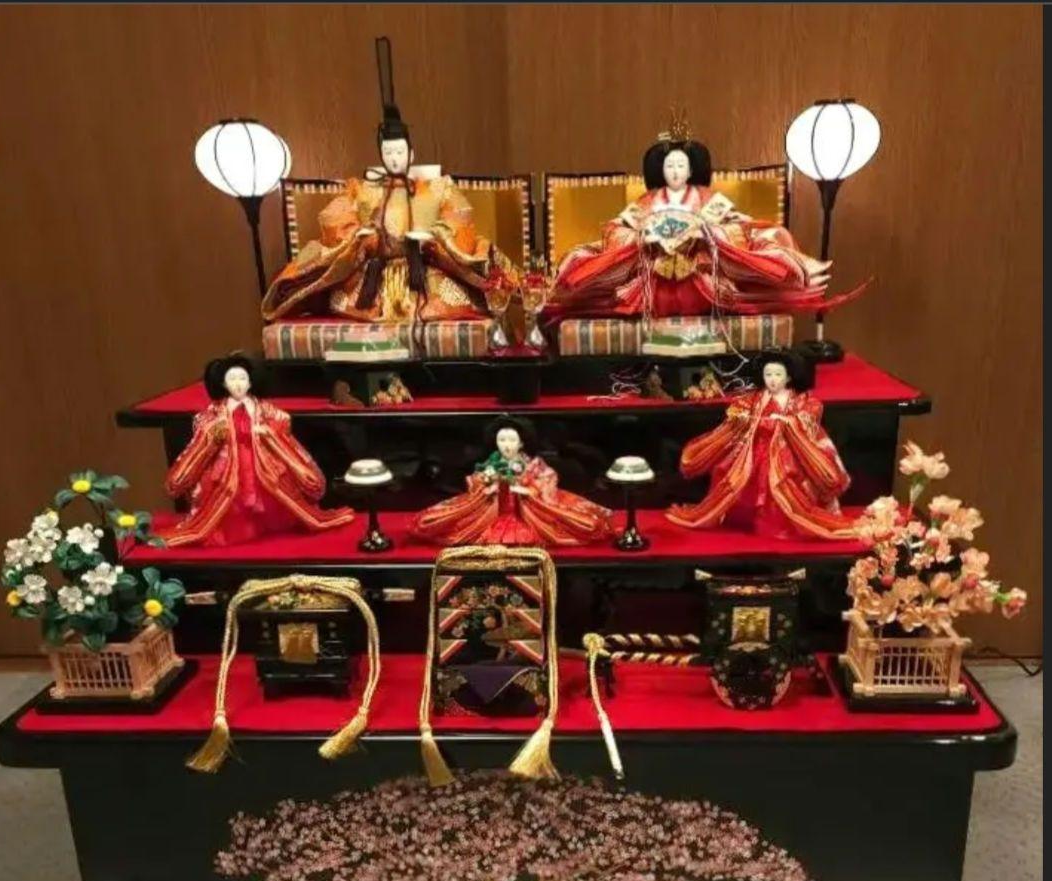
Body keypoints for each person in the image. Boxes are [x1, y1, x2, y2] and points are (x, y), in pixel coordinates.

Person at [261, 38, 512, 324]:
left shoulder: (437, 187)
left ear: (411, 153)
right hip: (373, 278)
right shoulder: (363, 189)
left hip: (426, 275)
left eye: (400, 152)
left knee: (452, 298)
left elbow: (460, 215)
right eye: (388, 153)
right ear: (380, 155)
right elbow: (334, 218)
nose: (394, 158)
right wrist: (360, 236)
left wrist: (435, 236)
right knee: (343, 299)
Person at [544, 117, 864, 326]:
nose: (675, 172)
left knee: (759, 247)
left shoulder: (709, 199)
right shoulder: (647, 202)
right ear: (660, 170)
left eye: (681, 166)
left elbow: (737, 226)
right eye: (669, 166)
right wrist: (643, 239)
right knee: (591, 264)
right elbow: (618, 228)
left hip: (701, 276)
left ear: (692, 169)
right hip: (653, 277)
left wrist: (707, 235)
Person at [163, 355, 353, 546]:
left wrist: (268, 433)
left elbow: (282, 421)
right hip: (227, 467)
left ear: (250, 382)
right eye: (232, 379)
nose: (238, 384)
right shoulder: (214, 413)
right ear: (223, 383)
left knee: (274, 493)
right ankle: (237, 527)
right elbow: (203, 429)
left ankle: (265, 521)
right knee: (229, 500)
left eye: (242, 378)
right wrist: (214, 434)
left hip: (263, 463)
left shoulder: (265, 410)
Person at [666, 351, 856, 540]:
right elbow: (737, 410)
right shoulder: (755, 399)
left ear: (788, 377)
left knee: (785, 480)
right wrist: (742, 417)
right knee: (734, 475)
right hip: (754, 449)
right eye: (768, 374)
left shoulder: (802, 400)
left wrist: (787, 422)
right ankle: (748, 518)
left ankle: (778, 524)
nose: (772, 379)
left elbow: (806, 418)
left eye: (778, 374)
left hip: (787, 450)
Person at [411, 416, 614, 546]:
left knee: (582, 523)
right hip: (492, 512)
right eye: (502, 440)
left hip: (527, 512)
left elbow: (548, 478)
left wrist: (530, 490)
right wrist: (486, 485)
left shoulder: (532, 464)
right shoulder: (491, 463)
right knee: (437, 521)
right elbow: (476, 481)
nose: (506, 445)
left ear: (521, 442)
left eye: (511, 440)